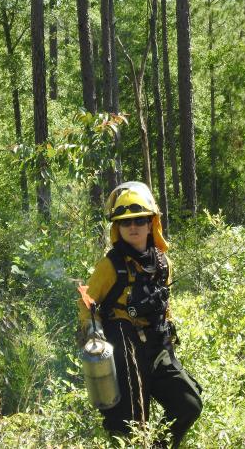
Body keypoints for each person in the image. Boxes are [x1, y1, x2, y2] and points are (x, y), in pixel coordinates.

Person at [77, 181, 202, 448]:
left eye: (139, 220)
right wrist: (93, 334)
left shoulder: (164, 263)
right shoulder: (110, 266)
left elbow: (166, 305)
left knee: (188, 403)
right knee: (130, 423)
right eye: (125, 222)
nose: (132, 227)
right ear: (117, 228)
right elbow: (88, 303)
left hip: (158, 347)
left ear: (150, 224)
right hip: (124, 349)